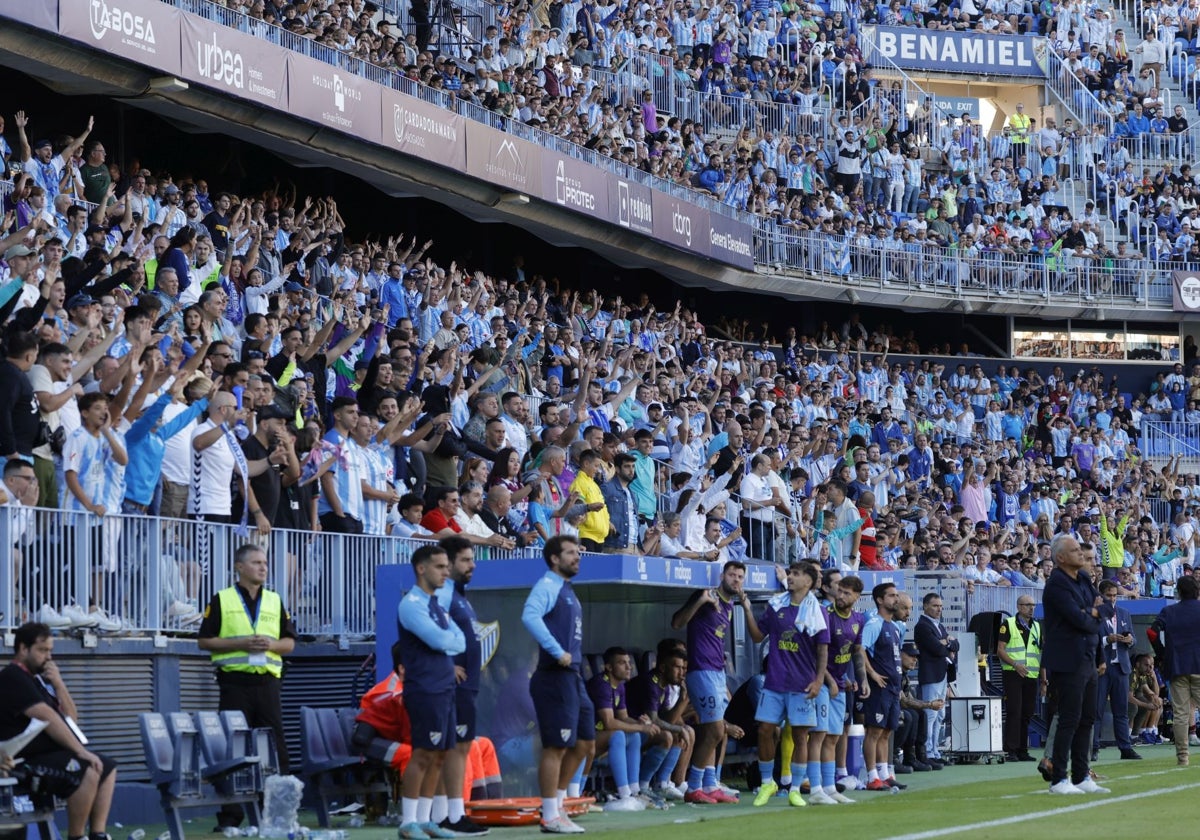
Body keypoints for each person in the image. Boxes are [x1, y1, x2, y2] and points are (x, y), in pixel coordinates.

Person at [196, 545, 295, 829]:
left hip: (267, 684)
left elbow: (289, 643)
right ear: (239, 567)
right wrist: (240, 644)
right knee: (233, 749)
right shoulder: (222, 599)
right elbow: (205, 641)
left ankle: (278, 815)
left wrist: (272, 645)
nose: (263, 567)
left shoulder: (275, 600)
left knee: (276, 749)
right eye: (256, 563)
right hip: (234, 684)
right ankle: (229, 818)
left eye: (265, 562)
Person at [0, 622, 117, 840]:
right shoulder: (12, 677)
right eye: (43, 650)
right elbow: (48, 716)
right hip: (21, 761)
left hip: (48, 755)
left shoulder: (36, 681)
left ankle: (98, 834)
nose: (49, 657)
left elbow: (70, 719)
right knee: (88, 768)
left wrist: (59, 684)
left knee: (107, 768)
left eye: (50, 651)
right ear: (23, 649)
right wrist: (80, 751)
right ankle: (77, 836)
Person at [522, 535, 593, 834]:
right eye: (570, 553)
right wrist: (557, 651)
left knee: (586, 743)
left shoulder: (566, 589)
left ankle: (559, 805)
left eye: (578, 552)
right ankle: (549, 814)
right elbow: (529, 616)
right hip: (554, 676)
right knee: (555, 747)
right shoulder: (548, 585)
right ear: (554, 558)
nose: (577, 557)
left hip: (572, 676)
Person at [671, 560, 758, 804]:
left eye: (740, 576)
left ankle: (709, 785)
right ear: (722, 575)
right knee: (715, 729)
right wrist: (700, 601)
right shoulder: (705, 597)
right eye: (732, 575)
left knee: (715, 730)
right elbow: (676, 623)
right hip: (701, 671)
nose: (736, 579)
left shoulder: (729, 606)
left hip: (716, 672)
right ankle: (695, 786)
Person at [395, 544, 465, 840]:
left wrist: (448, 640)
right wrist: (448, 640)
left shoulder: (436, 603)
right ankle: (407, 823)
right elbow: (439, 640)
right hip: (424, 687)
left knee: (440, 754)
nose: (446, 572)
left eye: (447, 567)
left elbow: (460, 640)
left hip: (443, 686)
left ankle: (425, 821)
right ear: (421, 569)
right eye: (439, 567)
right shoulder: (411, 604)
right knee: (423, 753)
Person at [752, 561, 829, 808]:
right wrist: (744, 606)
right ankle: (767, 783)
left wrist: (818, 681)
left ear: (808, 581)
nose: (791, 577)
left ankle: (795, 788)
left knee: (800, 736)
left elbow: (822, 649)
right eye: (791, 573)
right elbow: (756, 636)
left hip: (802, 685)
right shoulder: (776, 606)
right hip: (774, 682)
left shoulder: (817, 610)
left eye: (796, 574)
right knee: (764, 729)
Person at [433, 536, 490, 836]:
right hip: (453, 687)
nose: (473, 565)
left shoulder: (459, 596)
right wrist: (446, 666)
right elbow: (429, 634)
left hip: (468, 685)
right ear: (451, 562)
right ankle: (454, 816)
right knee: (455, 748)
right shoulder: (443, 595)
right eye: (466, 560)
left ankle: (444, 815)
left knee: (459, 747)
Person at [1041, 534, 1108, 794]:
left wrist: (1092, 613)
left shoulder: (1082, 579)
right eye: (1075, 550)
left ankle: (1081, 776)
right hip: (1068, 658)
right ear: (1060, 558)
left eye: (1081, 550)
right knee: (1069, 718)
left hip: (1088, 656)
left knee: (1087, 717)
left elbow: (1103, 609)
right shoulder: (1057, 583)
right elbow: (1077, 619)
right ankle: (1059, 778)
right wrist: (1091, 615)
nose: (1081, 554)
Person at [584, 647, 659, 811]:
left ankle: (634, 791)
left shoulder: (620, 686)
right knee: (618, 735)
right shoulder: (601, 684)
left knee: (634, 736)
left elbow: (623, 717)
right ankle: (624, 794)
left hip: (599, 736)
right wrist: (639, 727)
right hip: (584, 738)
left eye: (629, 663)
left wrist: (643, 725)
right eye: (622, 663)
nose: (628, 667)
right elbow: (610, 723)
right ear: (609, 667)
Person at [821, 574, 868, 798]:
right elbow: (816, 655)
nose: (840, 596)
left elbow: (856, 651)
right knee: (818, 734)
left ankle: (831, 782)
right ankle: (819, 782)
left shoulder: (858, 620)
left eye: (846, 593)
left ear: (857, 597)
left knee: (834, 734)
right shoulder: (826, 616)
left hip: (839, 684)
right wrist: (829, 680)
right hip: (821, 683)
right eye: (839, 591)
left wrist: (862, 679)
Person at [1149, 574, 1200, 766]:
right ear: (1197, 591)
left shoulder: (1169, 611)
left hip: (1177, 666)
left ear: (1178, 592)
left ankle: (1183, 757)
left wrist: (1161, 654)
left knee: (1180, 713)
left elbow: (1152, 632)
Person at [861, 581, 903, 792]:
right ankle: (871, 776)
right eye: (891, 595)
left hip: (894, 687)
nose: (896, 599)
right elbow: (860, 649)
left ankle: (885, 774)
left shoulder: (894, 627)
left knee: (886, 731)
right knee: (874, 731)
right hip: (880, 687)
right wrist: (872, 674)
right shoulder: (874, 623)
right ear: (880, 599)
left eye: (896, 595)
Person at [1093, 579, 1141, 761]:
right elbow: (1091, 640)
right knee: (1096, 710)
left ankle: (1125, 748)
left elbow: (1134, 638)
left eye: (1115, 595)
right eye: (1109, 595)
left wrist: (1129, 641)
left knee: (1121, 710)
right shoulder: (1095, 614)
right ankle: (1094, 747)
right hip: (1102, 667)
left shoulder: (1124, 613)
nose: (1112, 599)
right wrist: (1107, 640)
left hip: (1121, 667)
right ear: (1101, 596)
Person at [913, 592, 957, 767]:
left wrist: (946, 642)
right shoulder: (922, 626)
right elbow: (937, 649)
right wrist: (947, 643)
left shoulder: (939, 626)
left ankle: (934, 750)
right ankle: (926, 751)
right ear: (925, 606)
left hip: (942, 673)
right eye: (935, 605)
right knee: (930, 714)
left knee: (940, 715)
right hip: (931, 674)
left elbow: (955, 645)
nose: (939, 609)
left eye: (940, 606)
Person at [997, 594, 1042, 762]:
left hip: (1031, 675)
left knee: (1027, 713)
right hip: (1013, 673)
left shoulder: (1037, 626)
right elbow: (1000, 649)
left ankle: (1023, 749)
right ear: (1019, 607)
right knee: (1014, 711)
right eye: (1027, 605)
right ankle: (1011, 749)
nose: (1031, 608)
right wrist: (1016, 664)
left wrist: (1044, 679)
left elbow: (1040, 652)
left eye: (1033, 605)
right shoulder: (1008, 624)